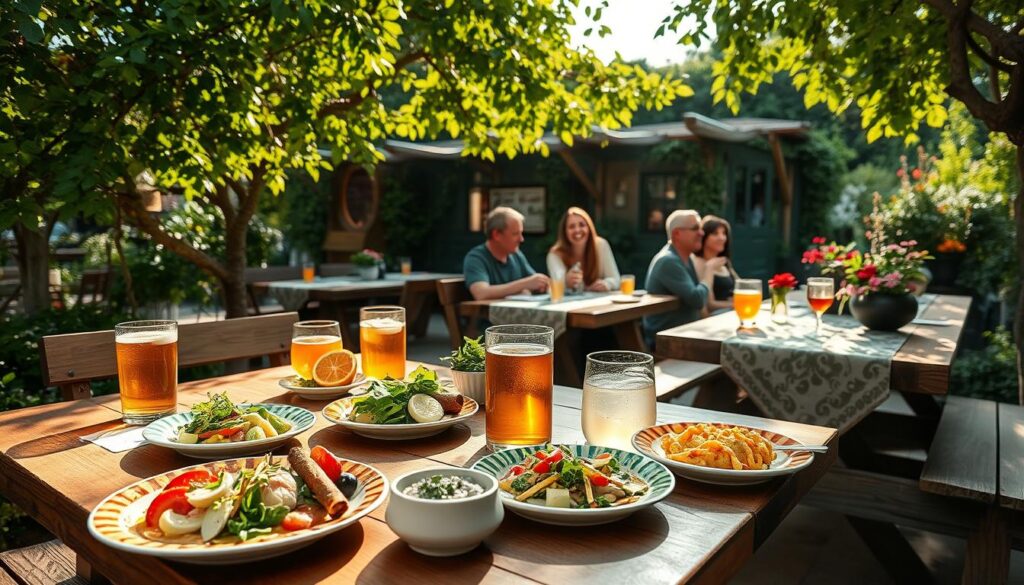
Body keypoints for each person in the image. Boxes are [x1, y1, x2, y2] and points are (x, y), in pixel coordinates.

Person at [642, 209, 726, 348]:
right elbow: (698, 300)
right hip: (666, 342)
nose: (701, 233)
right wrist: (709, 270)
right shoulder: (668, 261)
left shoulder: (685, 258)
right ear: (677, 234)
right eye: (695, 228)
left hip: (684, 335)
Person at [463, 206, 549, 300]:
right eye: (515, 234)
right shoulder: (476, 258)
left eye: (521, 233)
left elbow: (534, 283)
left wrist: (540, 285)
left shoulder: (516, 255)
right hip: (489, 314)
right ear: (496, 235)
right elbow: (481, 293)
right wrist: (523, 285)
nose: (521, 239)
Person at [546, 207, 621, 293]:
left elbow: (616, 279)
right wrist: (566, 282)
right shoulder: (555, 254)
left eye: (582, 225)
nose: (577, 230)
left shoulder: (601, 245)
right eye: (571, 227)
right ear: (564, 232)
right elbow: (556, 284)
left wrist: (607, 284)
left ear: (589, 228)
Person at [691, 215, 739, 315]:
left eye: (724, 233)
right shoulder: (699, 263)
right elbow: (709, 304)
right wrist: (735, 304)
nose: (722, 238)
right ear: (704, 237)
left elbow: (741, 286)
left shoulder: (724, 262)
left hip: (733, 313)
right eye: (715, 233)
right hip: (717, 317)